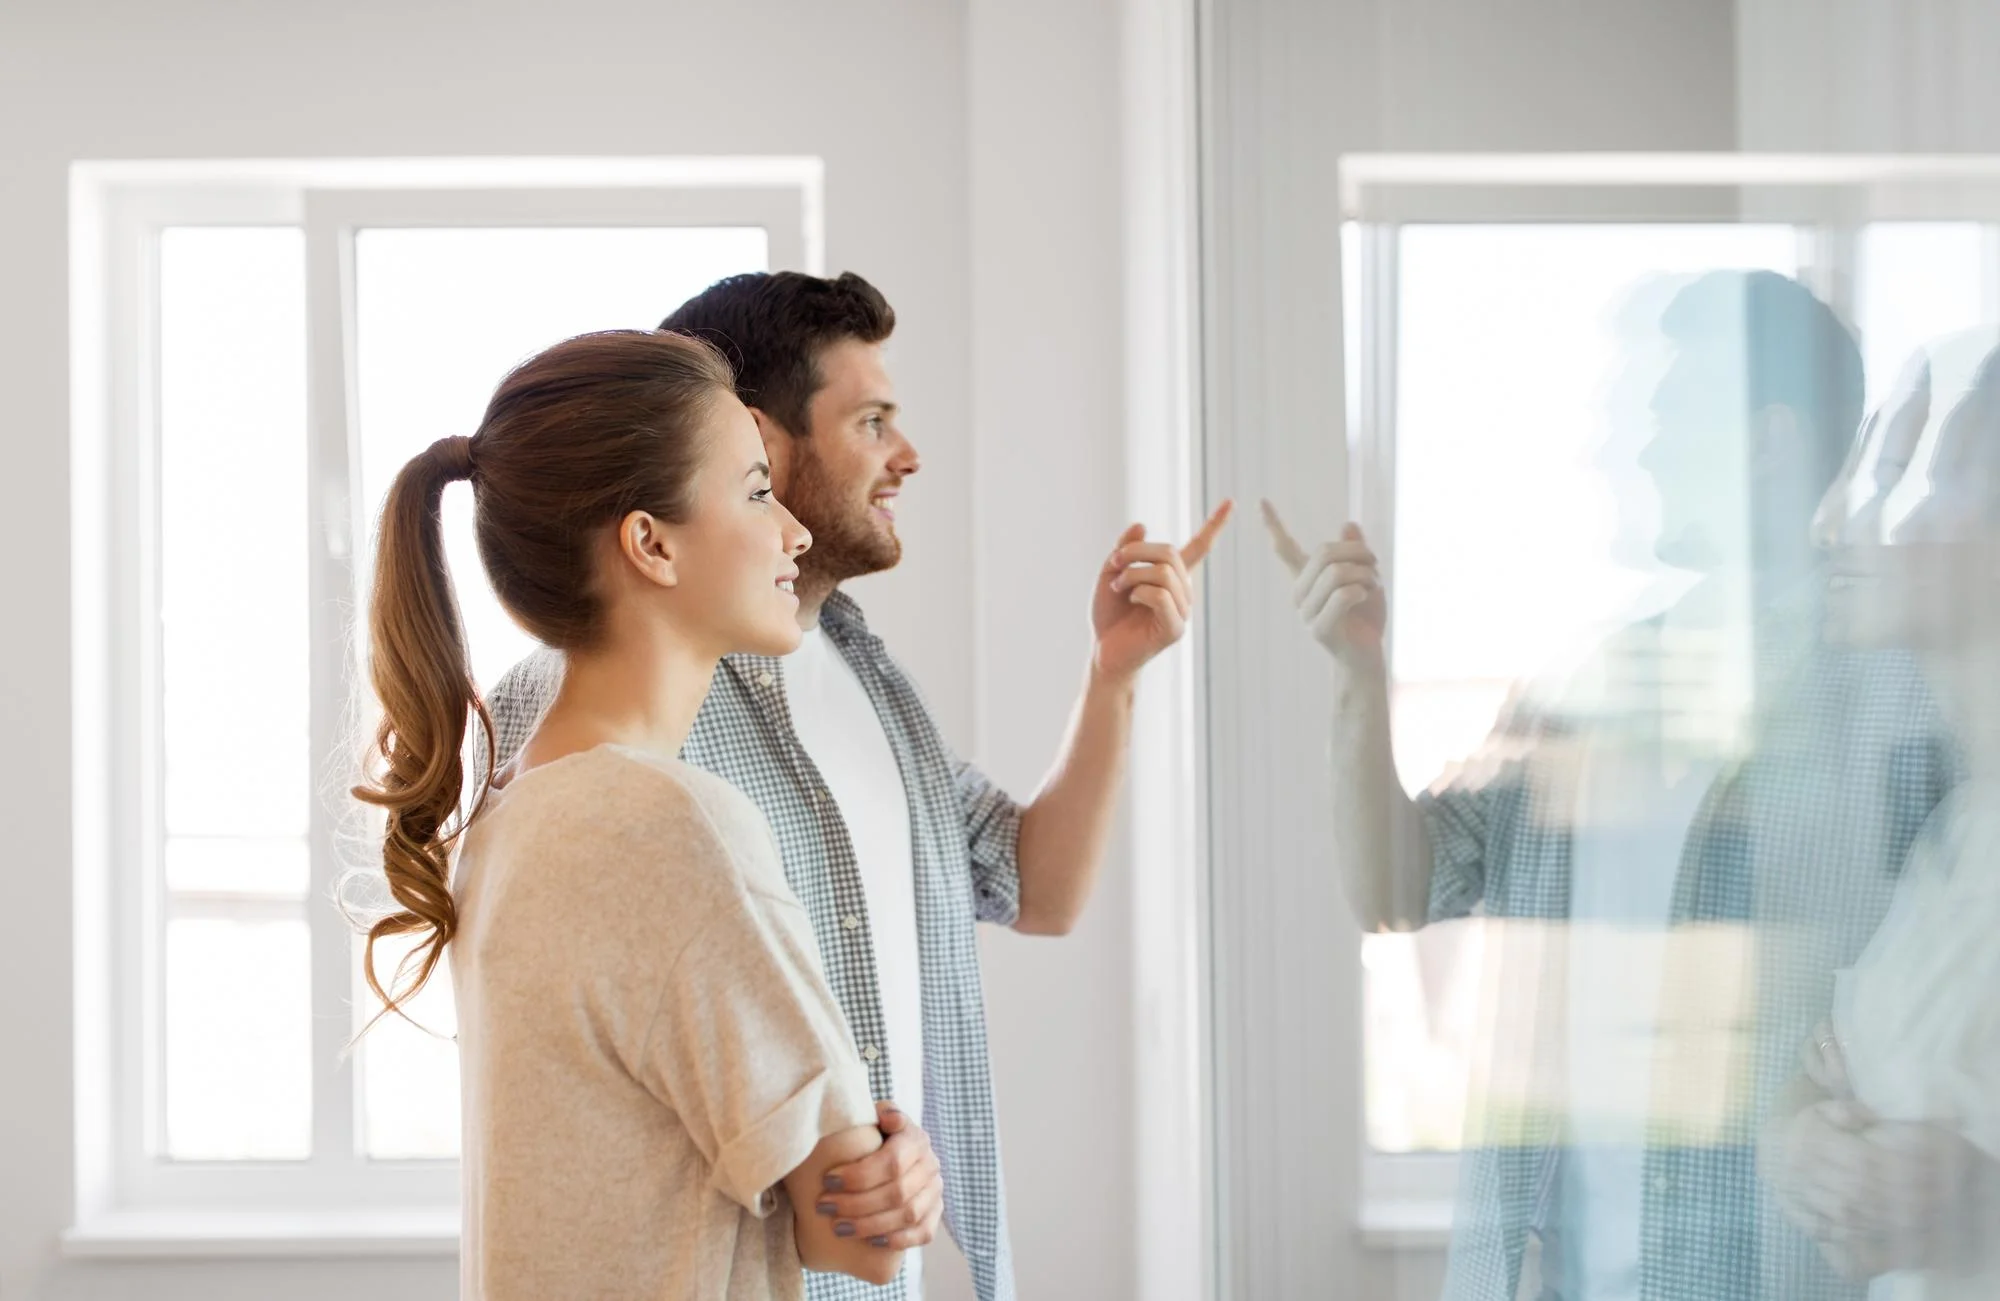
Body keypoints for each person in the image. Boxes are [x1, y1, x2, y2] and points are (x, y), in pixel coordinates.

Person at [486, 271, 1232, 1301]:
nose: (907, 454)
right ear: (758, 433)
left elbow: (1036, 888)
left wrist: (1113, 674)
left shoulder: (867, 678)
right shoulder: (593, 715)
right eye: (871, 419)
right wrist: (860, 1180)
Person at [1264, 270, 1952, 1301]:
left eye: (1665, 414)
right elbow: (1397, 890)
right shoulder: (1585, 690)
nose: (1632, 450)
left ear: (1760, 442)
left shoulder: (1904, 706)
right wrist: (1356, 670)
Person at [352, 329, 929, 1299]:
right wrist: (901, 1166)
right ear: (649, 542)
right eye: (754, 490)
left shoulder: (515, 815)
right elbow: (858, 1236)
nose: (791, 531)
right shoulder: (672, 825)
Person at [1763, 334, 2000, 1299]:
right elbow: (1838, 1080)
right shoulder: (1954, 838)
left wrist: (1980, 1202)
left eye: (1902, 475)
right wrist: (1802, 1148)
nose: (1833, 525)